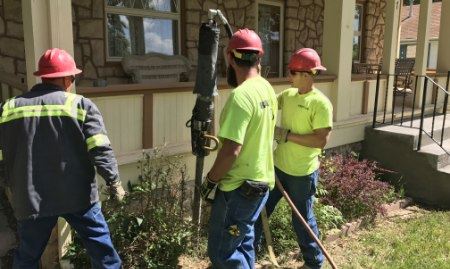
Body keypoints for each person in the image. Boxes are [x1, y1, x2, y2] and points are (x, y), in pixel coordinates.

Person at [0, 48, 125, 269]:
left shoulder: (9, 108)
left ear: (43, 76)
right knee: (103, 252)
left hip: (31, 198)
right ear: (67, 78)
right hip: (77, 196)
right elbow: (100, 148)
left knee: (28, 256)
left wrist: (8, 184)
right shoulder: (81, 105)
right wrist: (114, 181)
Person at [200, 29, 278, 269]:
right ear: (259, 58)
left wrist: (210, 182)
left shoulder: (240, 97)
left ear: (230, 57)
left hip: (239, 189)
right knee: (243, 241)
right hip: (261, 184)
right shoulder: (267, 89)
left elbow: (231, 151)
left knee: (223, 254)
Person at [255, 48, 333, 269]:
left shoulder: (320, 103)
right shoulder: (288, 96)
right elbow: (266, 103)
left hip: (302, 173)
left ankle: (313, 263)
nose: (288, 76)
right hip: (278, 169)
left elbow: (320, 140)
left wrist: (286, 135)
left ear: (307, 74)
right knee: (260, 212)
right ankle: (248, 257)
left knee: (301, 221)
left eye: (292, 72)